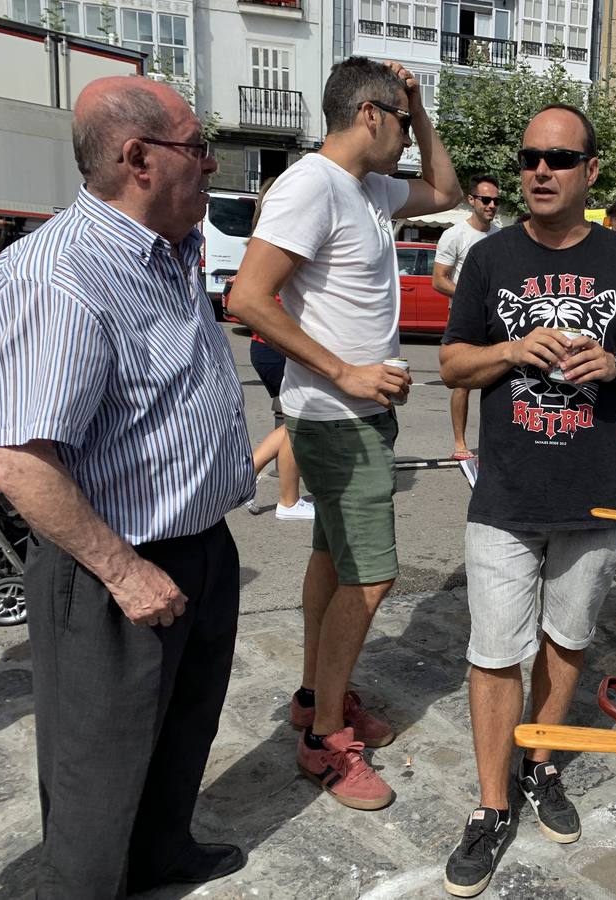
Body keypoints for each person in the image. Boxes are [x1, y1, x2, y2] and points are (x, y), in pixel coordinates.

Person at [0, 75, 254, 898]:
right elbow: (18, 461)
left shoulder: (171, 247)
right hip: (110, 568)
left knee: (181, 733)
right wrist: (127, 574)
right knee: (98, 775)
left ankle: (162, 857)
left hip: (199, 547)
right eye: (198, 147)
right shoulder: (60, 273)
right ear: (137, 157)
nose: (211, 165)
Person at [439, 103, 616, 898]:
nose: (540, 170)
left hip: (594, 493)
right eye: (529, 156)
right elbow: (451, 367)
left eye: (559, 157)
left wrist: (614, 367)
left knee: (568, 638)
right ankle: (491, 803)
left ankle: (540, 764)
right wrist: (511, 348)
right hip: (507, 495)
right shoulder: (488, 259)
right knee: (492, 650)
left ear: (591, 172)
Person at [228, 57, 460, 812]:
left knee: (333, 558)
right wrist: (347, 372)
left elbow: (449, 193)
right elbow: (248, 299)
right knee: (372, 574)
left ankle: (312, 696)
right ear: (368, 114)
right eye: (398, 121)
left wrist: (421, 112)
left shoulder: (367, 189)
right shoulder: (310, 186)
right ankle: (326, 739)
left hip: (355, 417)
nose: (403, 137)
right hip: (337, 416)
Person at [237, 179, 313, 520]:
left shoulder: (258, 243)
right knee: (297, 421)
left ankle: (284, 494)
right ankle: (276, 493)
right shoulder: (284, 245)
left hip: (263, 349)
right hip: (278, 348)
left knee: (287, 421)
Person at [432, 174, 501, 461]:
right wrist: (471, 298)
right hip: (466, 319)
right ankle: (460, 443)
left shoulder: (499, 233)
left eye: (496, 200)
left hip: (496, 318)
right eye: (485, 199)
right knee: (463, 382)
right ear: (471, 200)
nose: (491, 205)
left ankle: (494, 442)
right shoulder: (455, 235)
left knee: (497, 378)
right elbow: (439, 280)